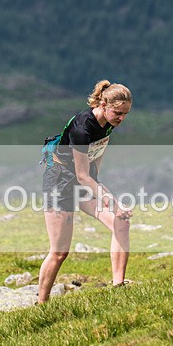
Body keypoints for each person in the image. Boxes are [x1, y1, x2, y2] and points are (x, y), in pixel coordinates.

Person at [37, 80, 133, 303]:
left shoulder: (108, 123)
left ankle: (118, 287)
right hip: (60, 180)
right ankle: (41, 304)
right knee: (60, 252)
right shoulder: (82, 129)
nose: (122, 119)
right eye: (118, 113)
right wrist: (108, 197)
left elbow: (93, 171)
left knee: (121, 221)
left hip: (84, 180)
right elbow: (82, 175)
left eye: (126, 114)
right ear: (103, 104)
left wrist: (113, 203)